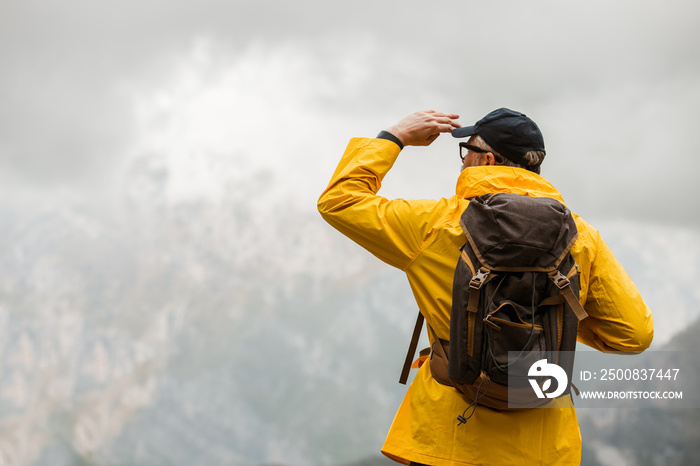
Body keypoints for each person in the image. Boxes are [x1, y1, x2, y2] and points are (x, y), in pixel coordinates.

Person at [317, 108, 654, 465]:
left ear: (486, 159)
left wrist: (395, 136)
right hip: (541, 448)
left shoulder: (435, 226)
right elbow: (634, 335)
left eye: (468, 151)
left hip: (449, 441)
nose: (463, 162)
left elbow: (340, 201)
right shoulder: (580, 237)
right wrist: (552, 320)